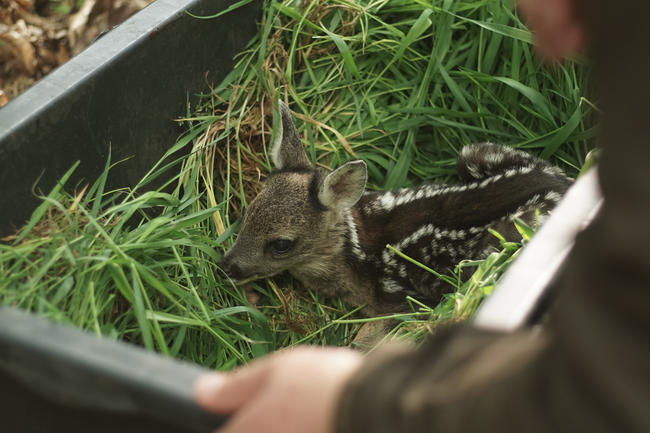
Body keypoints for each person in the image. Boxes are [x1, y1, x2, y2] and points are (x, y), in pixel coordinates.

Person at [194, 0, 650, 432]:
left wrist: (360, 385)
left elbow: (403, 310)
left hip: (539, 214)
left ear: (341, 197)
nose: (237, 261)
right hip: (541, 191)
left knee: (488, 238)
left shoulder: (376, 273)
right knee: (472, 159)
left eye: (280, 248)